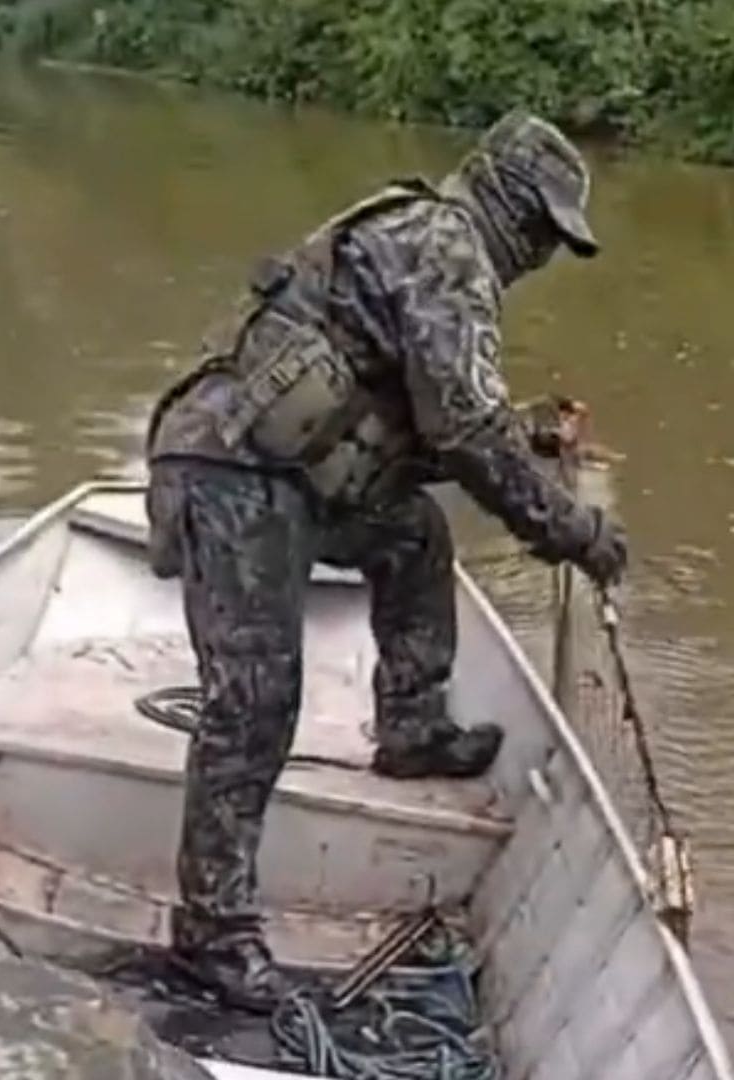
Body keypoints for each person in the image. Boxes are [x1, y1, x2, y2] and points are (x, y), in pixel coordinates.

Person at [141, 109, 627, 1010]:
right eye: (549, 235)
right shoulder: (447, 248)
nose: (546, 257)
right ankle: (211, 935)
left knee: (411, 533)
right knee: (256, 701)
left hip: (287, 472)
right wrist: (571, 530)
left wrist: (526, 444)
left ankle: (411, 727)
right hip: (230, 471)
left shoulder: (431, 242)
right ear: (515, 211)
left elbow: (427, 421)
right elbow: (467, 432)